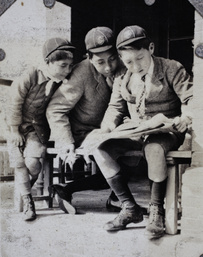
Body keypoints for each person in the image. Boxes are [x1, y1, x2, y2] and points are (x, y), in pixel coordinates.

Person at [91, 25, 193, 239]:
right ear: (121, 58)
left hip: (166, 129)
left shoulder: (172, 68)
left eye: (140, 59)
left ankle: (156, 209)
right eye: (128, 62)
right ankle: (130, 208)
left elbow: (190, 98)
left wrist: (185, 117)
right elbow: (115, 108)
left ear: (151, 48)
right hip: (137, 128)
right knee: (100, 149)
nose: (135, 66)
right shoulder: (123, 79)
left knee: (154, 148)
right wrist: (107, 128)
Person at [47, 27, 124, 214]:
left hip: (110, 129)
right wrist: (66, 141)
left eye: (112, 59)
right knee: (113, 163)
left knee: (130, 159)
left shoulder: (125, 66)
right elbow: (55, 109)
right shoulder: (81, 73)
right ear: (89, 58)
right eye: (100, 62)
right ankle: (68, 189)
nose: (108, 67)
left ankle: (69, 190)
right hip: (82, 132)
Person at [7, 37, 76, 221]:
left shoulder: (60, 82)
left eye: (70, 66)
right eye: (63, 65)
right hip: (15, 125)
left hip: (36, 128)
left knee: (33, 163)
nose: (67, 70)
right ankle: (29, 202)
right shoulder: (30, 75)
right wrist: (14, 130)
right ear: (48, 62)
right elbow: (15, 101)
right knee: (19, 161)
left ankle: (24, 188)